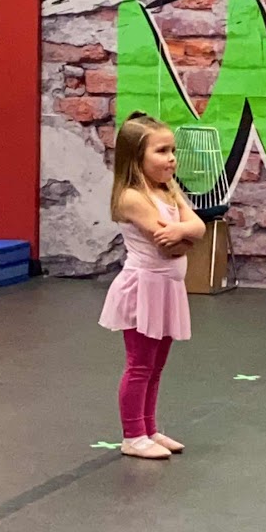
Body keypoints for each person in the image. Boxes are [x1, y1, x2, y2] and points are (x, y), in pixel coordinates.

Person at [100, 112, 205, 460]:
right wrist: (186, 236)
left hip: (167, 287)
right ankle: (132, 435)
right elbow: (170, 246)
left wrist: (185, 232)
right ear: (136, 157)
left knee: (156, 366)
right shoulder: (132, 197)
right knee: (140, 364)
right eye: (161, 151)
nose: (171, 158)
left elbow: (199, 227)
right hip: (143, 288)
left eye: (172, 150)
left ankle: (149, 427)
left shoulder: (169, 190)